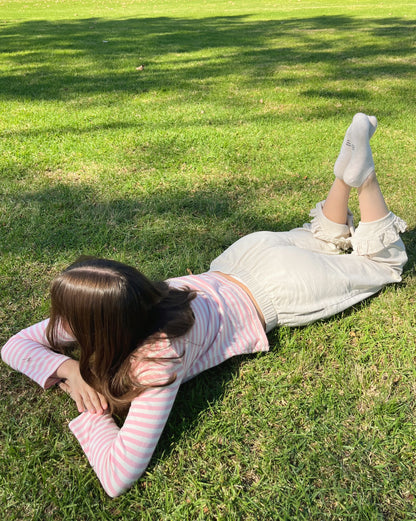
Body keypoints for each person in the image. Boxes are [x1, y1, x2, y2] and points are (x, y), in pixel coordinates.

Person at [1, 113, 408, 497]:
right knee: (319, 238)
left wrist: (93, 410)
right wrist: (71, 371)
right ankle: (344, 173)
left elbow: (117, 475)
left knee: (383, 263)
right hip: (246, 255)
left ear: (97, 327)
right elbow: (12, 346)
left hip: (278, 287)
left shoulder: (156, 359)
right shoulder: (124, 300)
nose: (59, 327)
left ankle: (365, 179)